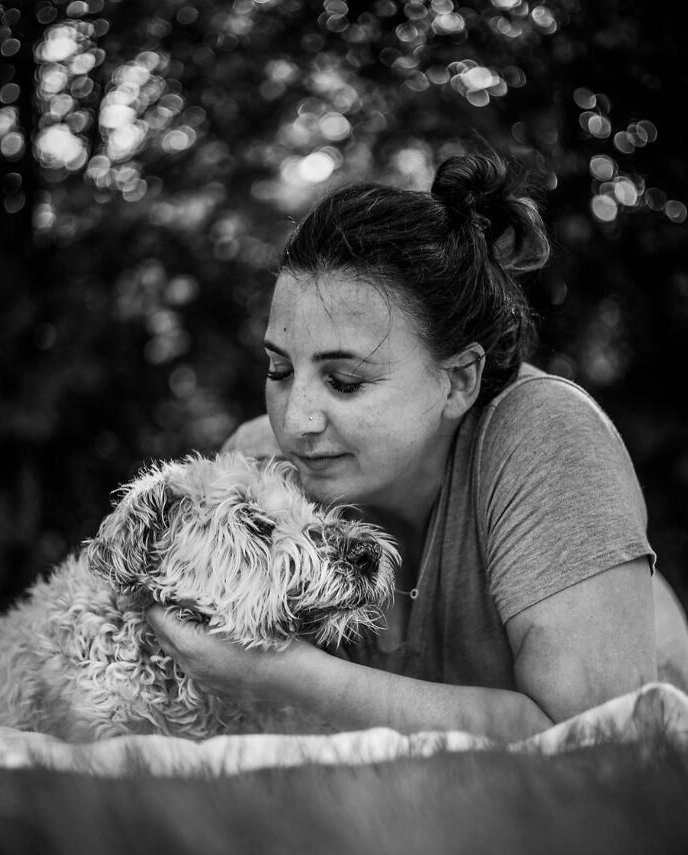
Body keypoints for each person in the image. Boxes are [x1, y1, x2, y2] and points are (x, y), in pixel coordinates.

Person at [147, 146, 688, 742]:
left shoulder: (548, 441)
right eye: (279, 371)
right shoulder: (259, 472)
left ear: (458, 380)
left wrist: (280, 673)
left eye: (344, 381)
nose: (296, 420)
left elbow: (600, 739)